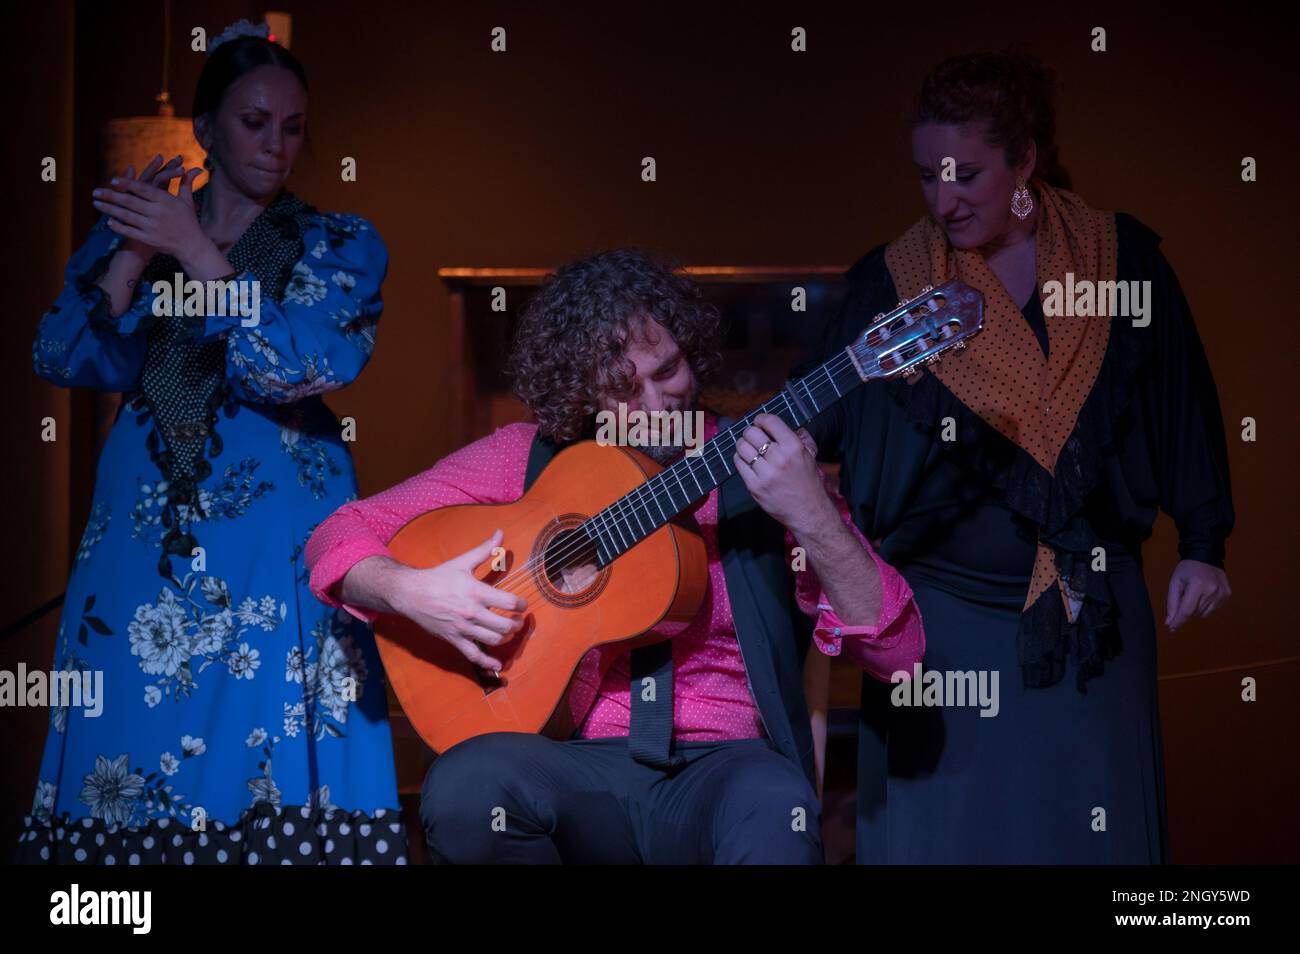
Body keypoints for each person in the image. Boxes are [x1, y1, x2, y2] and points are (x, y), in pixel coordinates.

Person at [305, 248, 925, 864]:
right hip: (570, 765)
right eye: (625, 391)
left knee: (777, 810)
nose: (658, 406)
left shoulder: (768, 466)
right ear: (580, 396)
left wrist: (813, 513)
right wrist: (416, 593)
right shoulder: (523, 459)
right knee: (467, 790)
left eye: (669, 370)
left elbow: (898, 658)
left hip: (722, 768)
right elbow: (339, 534)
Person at [803, 49, 1234, 863]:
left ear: (1026, 158)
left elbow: (1182, 401)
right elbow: (809, 423)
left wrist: (1204, 547)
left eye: (965, 175)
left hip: (1091, 614)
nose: (944, 200)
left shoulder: (1120, 261)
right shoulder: (890, 282)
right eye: (927, 176)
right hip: (939, 622)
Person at [20, 23, 405, 864]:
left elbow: (298, 363)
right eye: (253, 122)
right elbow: (65, 355)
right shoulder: (149, 232)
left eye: (293, 127)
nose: (276, 145)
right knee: (127, 718)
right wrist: (132, 252)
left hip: (277, 530)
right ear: (202, 128)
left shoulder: (337, 241)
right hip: (143, 529)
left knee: (268, 731)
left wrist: (196, 252)